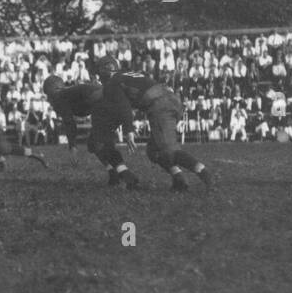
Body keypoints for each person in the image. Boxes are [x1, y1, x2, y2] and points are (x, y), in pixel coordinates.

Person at [95, 56, 213, 193]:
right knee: (154, 151)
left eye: (99, 73)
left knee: (169, 151)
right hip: (171, 99)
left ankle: (204, 173)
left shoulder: (113, 82)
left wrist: (129, 131)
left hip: (160, 105)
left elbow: (124, 107)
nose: (99, 78)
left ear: (104, 70)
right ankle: (179, 180)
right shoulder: (125, 74)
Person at [42, 75, 140, 189]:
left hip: (106, 105)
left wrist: (72, 146)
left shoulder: (60, 96)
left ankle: (126, 175)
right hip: (116, 103)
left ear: (52, 90)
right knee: (94, 143)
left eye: (48, 94)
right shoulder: (72, 92)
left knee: (99, 143)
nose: (49, 98)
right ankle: (114, 173)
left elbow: (69, 122)